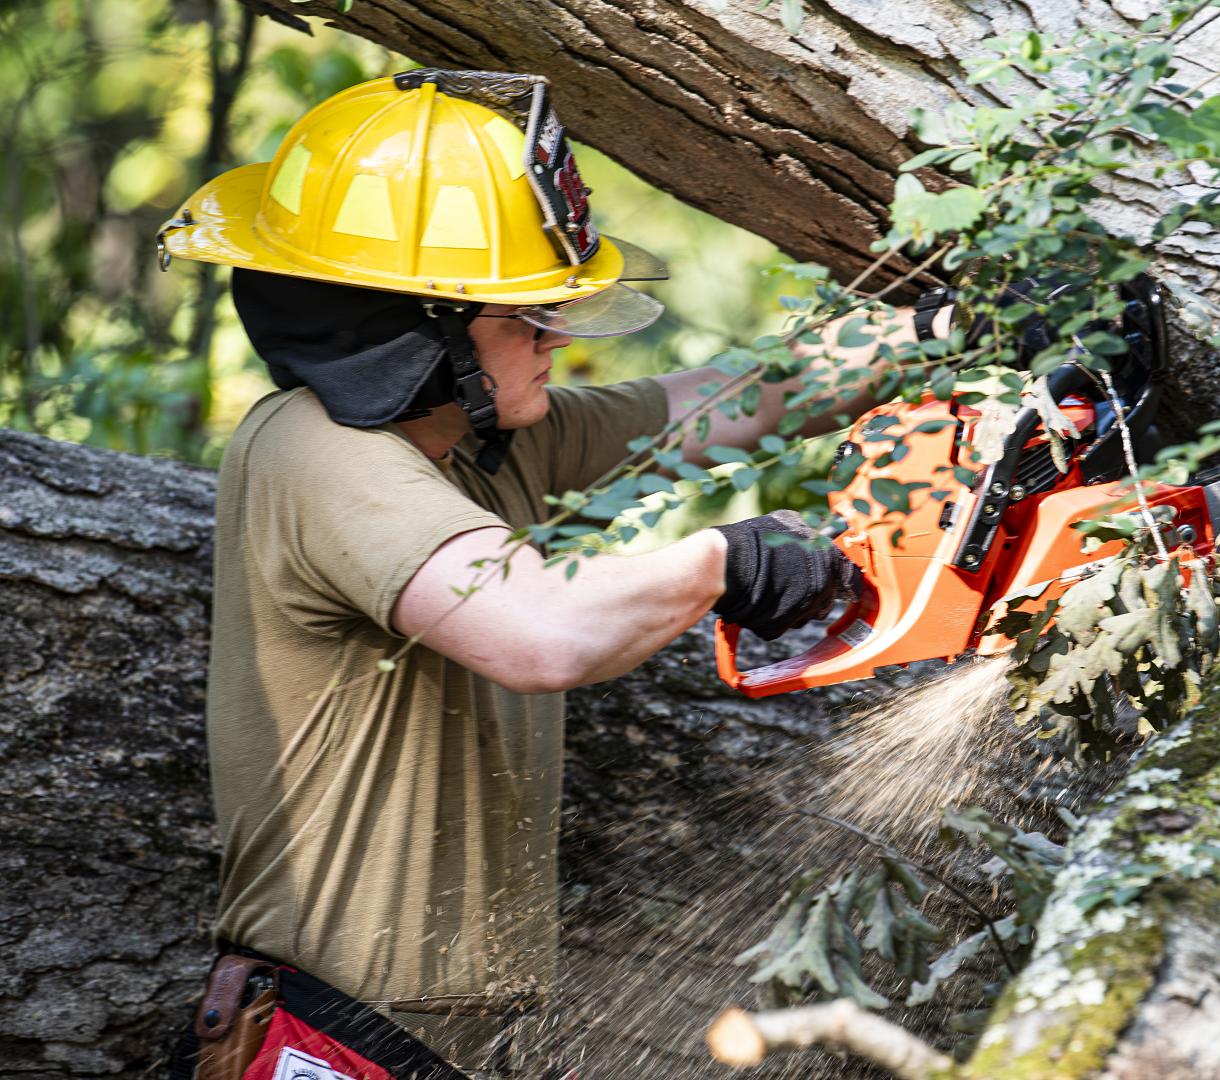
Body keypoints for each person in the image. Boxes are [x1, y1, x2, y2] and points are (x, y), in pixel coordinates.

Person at [157, 69, 898, 1080]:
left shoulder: (470, 436)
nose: (557, 339)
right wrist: (725, 557)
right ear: (425, 329)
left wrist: (938, 337)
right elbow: (539, 635)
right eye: (528, 318)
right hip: (335, 1040)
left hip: (445, 1038)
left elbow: (716, 400)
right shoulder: (316, 454)